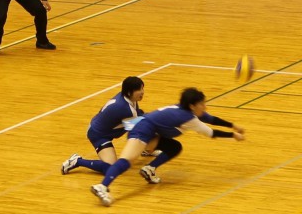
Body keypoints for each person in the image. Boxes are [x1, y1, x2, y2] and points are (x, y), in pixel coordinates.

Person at [90, 88, 245, 206]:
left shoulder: (184, 109)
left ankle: (149, 169)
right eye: (202, 104)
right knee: (127, 160)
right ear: (192, 106)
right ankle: (102, 186)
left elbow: (210, 118)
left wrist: (232, 125)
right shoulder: (189, 118)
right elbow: (211, 133)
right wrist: (233, 135)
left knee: (174, 147)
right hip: (142, 128)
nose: (205, 106)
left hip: (148, 127)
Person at [61, 76, 160, 175]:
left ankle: (147, 149)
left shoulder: (127, 98)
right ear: (129, 92)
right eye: (139, 90)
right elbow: (137, 127)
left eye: (142, 88)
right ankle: (77, 161)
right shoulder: (125, 109)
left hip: (103, 127)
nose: (142, 92)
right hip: (98, 135)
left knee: (145, 125)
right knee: (110, 168)